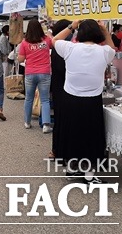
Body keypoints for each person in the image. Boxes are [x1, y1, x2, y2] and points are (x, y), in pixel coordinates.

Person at [52, 19, 116, 184]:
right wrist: (105, 31)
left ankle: (73, 169)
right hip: (92, 101)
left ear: (79, 33)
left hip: (70, 99)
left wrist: (70, 26)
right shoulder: (103, 52)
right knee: (90, 137)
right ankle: (89, 175)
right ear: (97, 34)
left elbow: (54, 40)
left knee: (73, 135)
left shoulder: (70, 48)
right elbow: (113, 48)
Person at [18, 19, 53, 133]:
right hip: (45, 72)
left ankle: (27, 122)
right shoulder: (46, 40)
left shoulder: (24, 43)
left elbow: (21, 59)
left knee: (29, 98)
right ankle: (46, 125)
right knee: (45, 100)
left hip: (30, 73)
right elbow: (54, 43)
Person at [49, 19, 72, 160]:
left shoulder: (59, 47)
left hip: (58, 87)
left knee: (60, 121)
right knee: (62, 121)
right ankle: (58, 151)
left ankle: (56, 150)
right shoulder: (61, 48)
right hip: (62, 89)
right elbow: (63, 70)